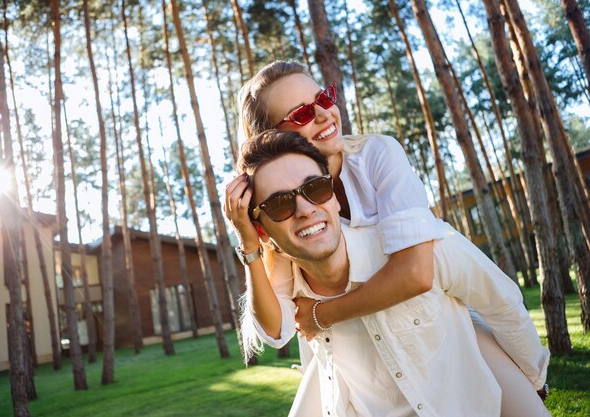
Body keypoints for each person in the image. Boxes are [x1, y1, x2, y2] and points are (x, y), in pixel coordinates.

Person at [224, 61, 549, 416]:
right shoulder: (281, 220)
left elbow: (417, 274)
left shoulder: (376, 154)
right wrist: (251, 240)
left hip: (435, 321)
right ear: (274, 138)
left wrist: (322, 314)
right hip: (353, 357)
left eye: (324, 97)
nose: (323, 113)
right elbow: (277, 329)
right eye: (301, 113)